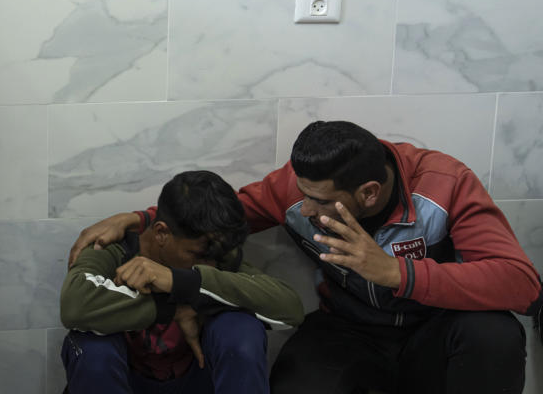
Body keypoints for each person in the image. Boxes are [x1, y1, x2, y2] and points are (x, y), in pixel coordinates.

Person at [69, 121, 543, 394]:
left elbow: (521, 283)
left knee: (493, 334)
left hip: (434, 330)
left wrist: (397, 272)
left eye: (319, 201)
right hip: (348, 331)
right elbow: (216, 219)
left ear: (369, 192)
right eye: (302, 194)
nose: (304, 209)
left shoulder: (444, 183)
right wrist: (138, 219)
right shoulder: (297, 190)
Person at [61, 170, 304, 394]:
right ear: (161, 233)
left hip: (193, 380)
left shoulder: (214, 254)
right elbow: (74, 306)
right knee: (92, 347)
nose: (208, 265)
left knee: (241, 329)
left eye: (214, 257)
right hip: (127, 380)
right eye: (197, 255)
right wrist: (172, 308)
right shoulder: (113, 247)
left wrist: (187, 283)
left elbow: (289, 308)